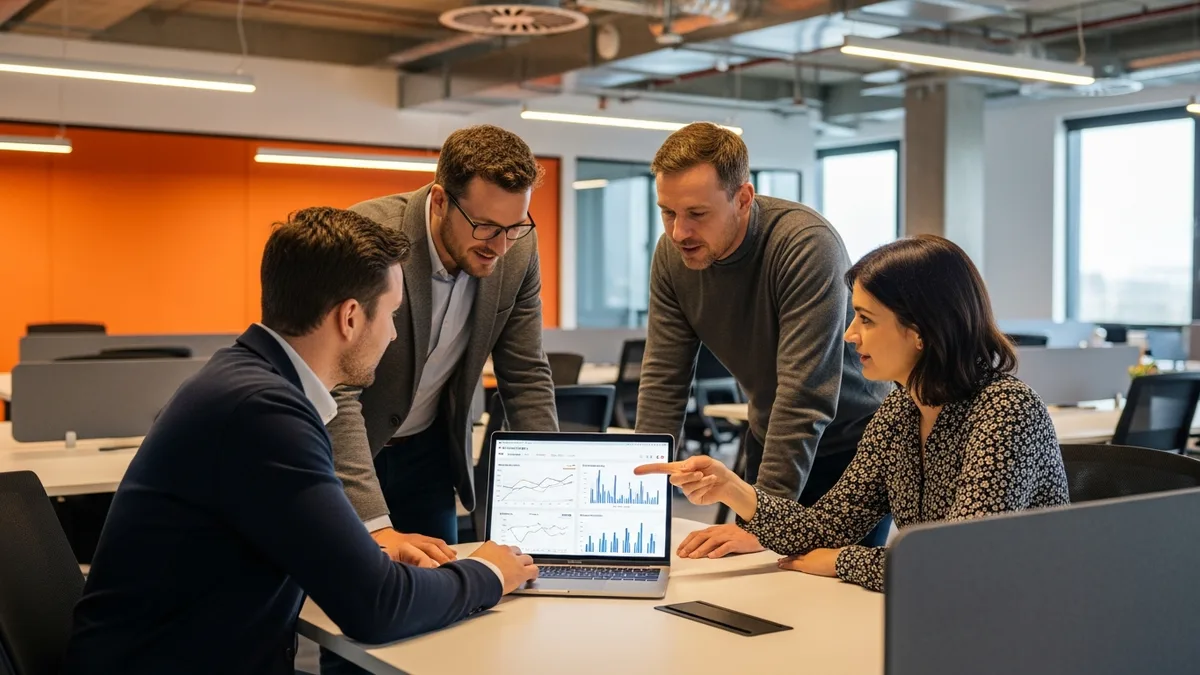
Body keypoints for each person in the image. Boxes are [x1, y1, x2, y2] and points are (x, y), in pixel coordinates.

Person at [61, 207, 539, 675]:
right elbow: (376, 608)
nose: (394, 335)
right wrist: (490, 573)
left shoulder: (247, 381)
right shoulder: (264, 414)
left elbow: (284, 537)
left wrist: (368, 551)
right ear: (350, 318)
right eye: (392, 314)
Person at [636, 235, 1070, 592]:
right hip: (942, 619)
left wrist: (845, 560)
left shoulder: (1006, 412)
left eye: (865, 319)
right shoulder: (900, 410)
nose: (849, 334)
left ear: (919, 332)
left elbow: (957, 566)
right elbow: (825, 527)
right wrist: (731, 488)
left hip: (1024, 627)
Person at [634, 122, 892, 558]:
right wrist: (638, 491)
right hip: (770, 438)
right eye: (667, 212)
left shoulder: (805, 245)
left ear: (743, 198)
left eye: (697, 214)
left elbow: (804, 394)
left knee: (835, 599)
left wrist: (765, 520)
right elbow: (663, 378)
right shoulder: (672, 257)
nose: (679, 232)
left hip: (850, 446)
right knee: (761, 590)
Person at [328, 124, 558, 561]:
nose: (502, 246)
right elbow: (337, 384)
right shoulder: (368, 237)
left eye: (514, 227)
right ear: (439, 200)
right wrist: (375, 523)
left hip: (428, 453)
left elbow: (525, 373)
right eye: (487, 227)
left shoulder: (518, 251)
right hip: (347, 450)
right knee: (350, 594)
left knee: (444, 592)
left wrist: (550, 493)